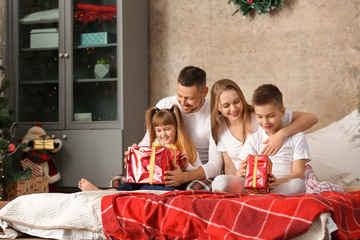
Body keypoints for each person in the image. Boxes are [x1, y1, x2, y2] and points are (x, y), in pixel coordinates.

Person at [79, 105, 202, 192]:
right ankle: (103, 193)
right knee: (129, 183)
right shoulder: (154, 145)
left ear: (176, 127)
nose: (163, 134)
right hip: (148, 181)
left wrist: (186, 166)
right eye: (158, 131)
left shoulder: (185, 145)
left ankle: (134, 194)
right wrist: (135, 158)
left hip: (169, 184)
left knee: (163, 188)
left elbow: (198, 170)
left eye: (167, 129)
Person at [212, 84, 308, 195]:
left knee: (298, 185)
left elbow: (298, 174)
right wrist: (240, 172)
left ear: (282, 112)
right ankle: (259, 196)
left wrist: (277, 182)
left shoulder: (297, 137)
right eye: (259, 116)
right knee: (219, 181)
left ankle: (259, 197)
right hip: (253, 187)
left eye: (270, 116)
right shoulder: (254, 138)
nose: (265, 122)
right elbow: (239, 173)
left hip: (281, 185)